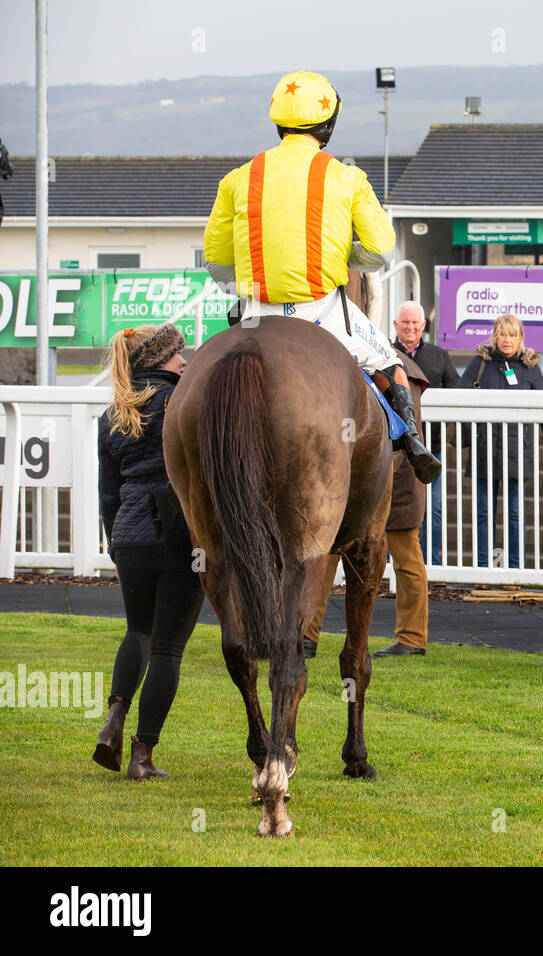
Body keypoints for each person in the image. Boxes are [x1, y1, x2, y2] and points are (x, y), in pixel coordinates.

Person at [202, 70, 438, 484]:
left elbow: (218, 263)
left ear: (278, 122)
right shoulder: (347, 177)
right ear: (328, 125)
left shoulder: (237, 179)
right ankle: (412, 442)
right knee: (390, 361)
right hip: (325, 311)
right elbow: (380, 251)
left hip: (255, 312)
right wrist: (342, 254)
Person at [93, 324, 205, 780]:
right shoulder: (183, 400)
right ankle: (142, 755)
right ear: (161, 360)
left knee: (137, 632)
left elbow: (108, 493)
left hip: (129, 534)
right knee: (167, 650)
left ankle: (114, 717)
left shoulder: (114, 412)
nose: (184, 361)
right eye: (179, 355)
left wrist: (117, 543)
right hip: (178, 532)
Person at [306, 354, 431, 658]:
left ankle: (412, 638)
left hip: (397, 480)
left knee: (406, 559)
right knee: (325, 556)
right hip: (361, 481)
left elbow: (398, 435)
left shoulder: (398, 374)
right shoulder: (367, 366)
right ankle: (306, 635)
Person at [457, 313, 543, 568]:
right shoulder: (480, 363)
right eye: (503, 334)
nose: (507, 340)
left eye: (513, 335)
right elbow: (457, 396)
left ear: (520, 339)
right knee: (484, 514)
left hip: (519, 452)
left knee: (515, 515)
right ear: (495, 336)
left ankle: (516, 570)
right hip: (485, 450)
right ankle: (484, 569)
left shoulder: (529, 367)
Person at [393, 301, 459, 564]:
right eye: (405, 322)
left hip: (432, 445)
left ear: (423, 326)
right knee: (392, 508)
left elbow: (457, 391)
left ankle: (430, 563)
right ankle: (387, 568)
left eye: (415, 323)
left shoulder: (439, 355)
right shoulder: (383, 352)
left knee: (433, 509)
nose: (410, 327)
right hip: (395, 446)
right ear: (396, 325)